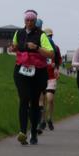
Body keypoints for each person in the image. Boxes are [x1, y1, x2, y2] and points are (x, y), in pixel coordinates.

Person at [8, 10, 54, 145]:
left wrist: (37, 48)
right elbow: (14, 47)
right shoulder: (19, 33)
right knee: (23, 99)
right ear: (24, 21)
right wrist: (12, 48)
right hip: (21, 71)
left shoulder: (42, 35)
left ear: (35, 21)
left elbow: (50, 54)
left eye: (32, 20)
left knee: (34, 102)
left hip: (38, 72)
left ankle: (33, 132)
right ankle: (22, 132)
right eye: (27, 20)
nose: (29, 23)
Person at [39, 26, 62, 132]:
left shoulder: (56, 48)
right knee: (41, 100)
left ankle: (50, 119)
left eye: (50, 36)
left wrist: (56, 67)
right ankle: (43, 120)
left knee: (50, 99)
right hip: (41, 76)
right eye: (47, 36)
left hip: (51, 77)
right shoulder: (40, 48)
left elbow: (59, 61)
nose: (49, 38)